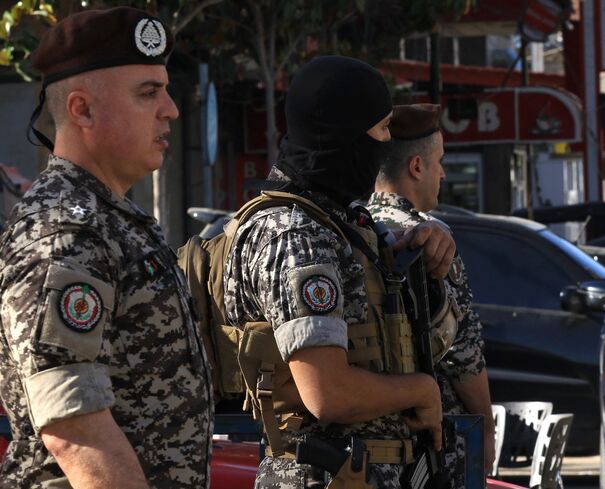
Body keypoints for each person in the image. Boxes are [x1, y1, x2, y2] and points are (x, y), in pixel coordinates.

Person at [0, 7, 212, 489]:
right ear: (82, 109)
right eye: (148, 93)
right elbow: (74, 432)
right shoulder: (63, 232)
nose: (171, 109)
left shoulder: (113, 219)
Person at [223, 56, 456, 488]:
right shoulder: (292, 234)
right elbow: (327, 393)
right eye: (381, 128)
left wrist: (423, 241)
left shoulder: (339, 221)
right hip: (321, 475)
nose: (387, 143)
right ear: (342, 132)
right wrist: (421, 390)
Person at [365, 103, 496, 477]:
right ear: (416, 167)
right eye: (438, 161)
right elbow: (464, 356)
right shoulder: (431, 241)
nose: (442, 173)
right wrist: (485, 429)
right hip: (436, 448)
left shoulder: (353, 232)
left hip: (366, 446)